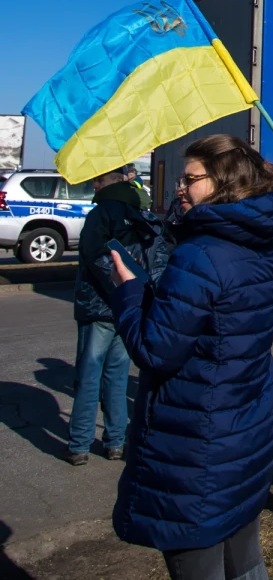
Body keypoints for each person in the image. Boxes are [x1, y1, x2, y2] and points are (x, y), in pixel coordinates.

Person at [107, 135, 273, 580]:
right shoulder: (272, 243)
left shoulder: (200, 255)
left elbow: (156, 349)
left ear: (223, 183)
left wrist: (129, 293)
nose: (182, 187)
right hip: (245, 428)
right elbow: (257, 220)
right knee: (245, 558)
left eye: (191, 178)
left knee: (200, 560)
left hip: (195, 443)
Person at [66, 164, 166, 466]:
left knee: (88, 375)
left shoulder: (100, 213)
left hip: (99, 306)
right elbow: (155, 257)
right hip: (128, 307)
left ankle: (79, 444)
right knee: (117, 375)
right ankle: (115, 442)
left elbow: (95, 256)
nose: (94, 184)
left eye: (97, 178)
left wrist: (118, 288)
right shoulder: (144, 213)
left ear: (111, 180)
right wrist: (135, 294)